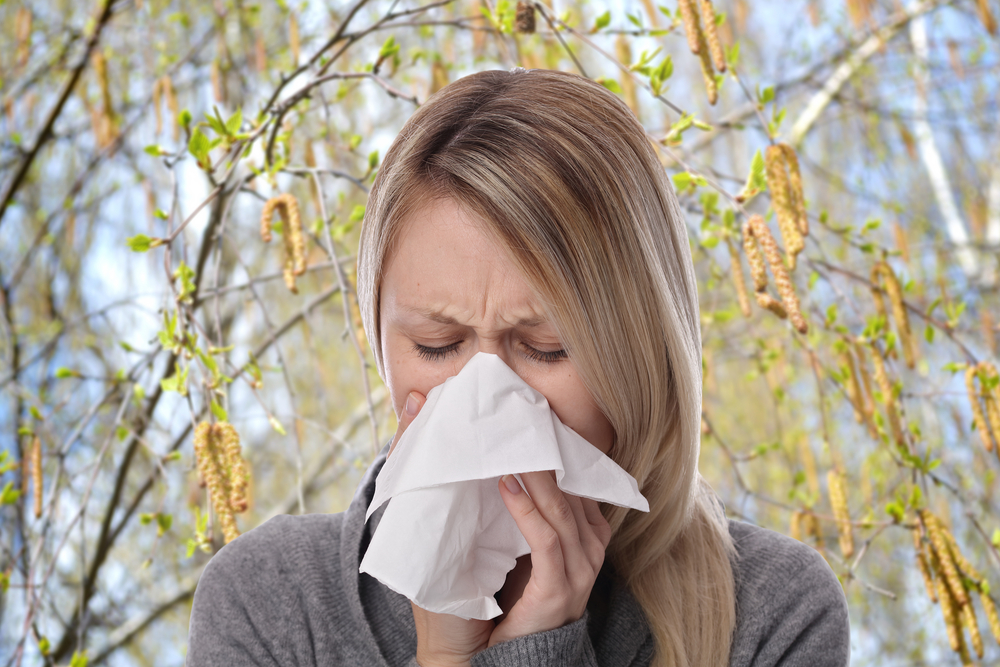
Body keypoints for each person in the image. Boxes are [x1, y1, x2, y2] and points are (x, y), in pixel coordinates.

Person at [185, 68, 849, 667]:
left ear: (642, 354)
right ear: (380, 342)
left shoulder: (771, 610)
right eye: (438, 344)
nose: (484, 399)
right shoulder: (268, 602)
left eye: (546, 347)